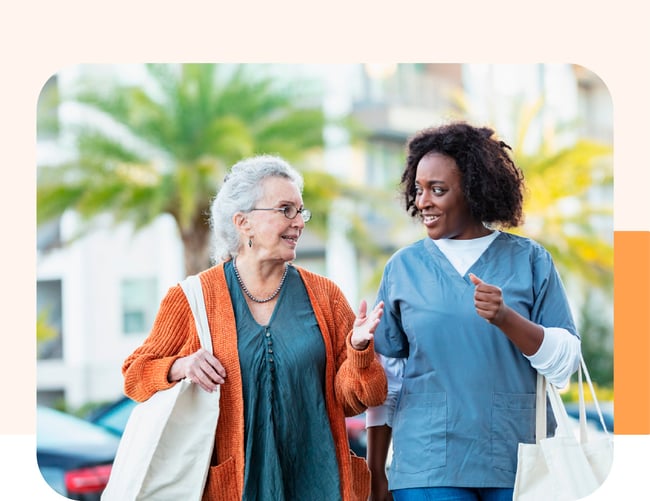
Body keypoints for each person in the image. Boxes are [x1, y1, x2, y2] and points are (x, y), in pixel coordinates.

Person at [122, 154, 387, 500]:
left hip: (320, 484)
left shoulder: (325, 296)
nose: (299, 222)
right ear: (243, 222)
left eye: (300, 211)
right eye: (285, 209)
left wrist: (360, 351)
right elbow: (134, 375)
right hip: (235, 488)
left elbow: (358, 401)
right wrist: (181, 365)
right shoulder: (193, 298)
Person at [365, 122, 582, 501]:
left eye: (438, 190)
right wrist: (375, 471)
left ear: (474, 190)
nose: (423, 202)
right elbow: (388, 381)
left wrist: (506, 319)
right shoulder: (403, 268)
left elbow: (566, 364)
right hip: (427, 465)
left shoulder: (530, 260)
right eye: (418, 190)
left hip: (518, 460)